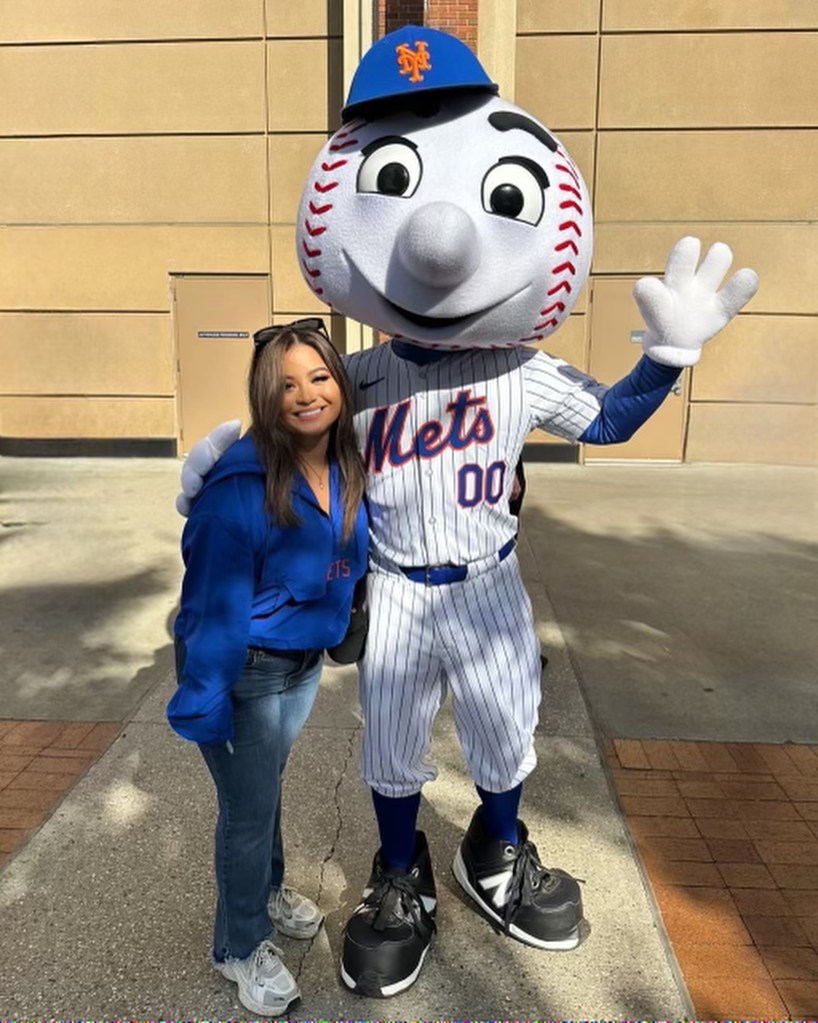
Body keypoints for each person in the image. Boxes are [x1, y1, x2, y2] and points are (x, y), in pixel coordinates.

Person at [178, 26, 759, 999]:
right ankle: (398, 877)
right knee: (394, 749)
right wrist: (224, 465)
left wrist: (664, 362)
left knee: (503, 735)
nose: (440, 243)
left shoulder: (522, 372)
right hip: (401, 590)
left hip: (489, 583)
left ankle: (495, 851)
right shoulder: (359, 375)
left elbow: (608, 419)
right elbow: (297, 416)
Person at [167, 319, 368, 1016]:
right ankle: (238, 944)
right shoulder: (238, 485)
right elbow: (209, 607)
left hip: (300, 664)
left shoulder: (344, 462)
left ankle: (268, 889)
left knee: (267, 792)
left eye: (319, 376)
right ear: (264, 395)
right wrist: (204, 697)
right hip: (243, 670)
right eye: (286, 384)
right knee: (246, 815)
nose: (307, 394)